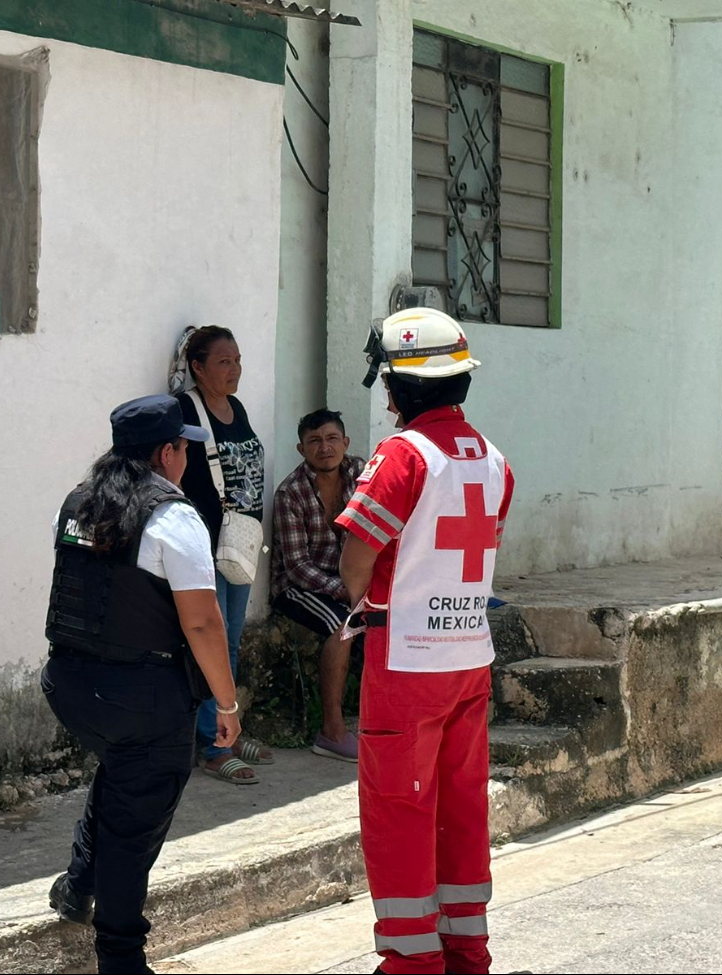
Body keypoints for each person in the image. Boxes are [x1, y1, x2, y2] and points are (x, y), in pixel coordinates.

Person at [337, 308, 515, 975]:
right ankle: (466, 951)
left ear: (396, 388)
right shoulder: (495, 462)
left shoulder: (402, 457)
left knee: (400, 812)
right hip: (469, 657)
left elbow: (358, 558)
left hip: (405, 663)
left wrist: (365, 600)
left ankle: (412, 963)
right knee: (461, 810)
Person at [41, 395, 242, 974]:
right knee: (136, 823)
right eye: (182, 448)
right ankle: (121, 959)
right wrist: (226, 703)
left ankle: (78, 885)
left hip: (71, 683)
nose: (185, 460)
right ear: (167, 452)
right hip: (143, 696)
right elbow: (203, 621)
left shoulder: (76, 504)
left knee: (125, 774)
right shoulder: (172, 517)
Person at [174, 326, 271, 784]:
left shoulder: (238, 408)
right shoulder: (185, 411)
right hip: (205, 543)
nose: (234, 370)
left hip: (241, 541)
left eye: (237, 360)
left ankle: (227, 730)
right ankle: (213, 743)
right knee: (210, 638)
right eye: (223, 362)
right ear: (197, 367)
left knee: (231, 637)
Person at [272, 408, 365, 761]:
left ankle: (384, 721)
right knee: (343, 626)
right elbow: (297, 567)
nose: (324, 448)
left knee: (390, 621)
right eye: (314, 441)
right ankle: (332, 731)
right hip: (299, 587)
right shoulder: (290, 494)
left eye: (330, 439)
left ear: (345, 442)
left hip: (352, 579)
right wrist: (348, 590)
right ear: (301, 449)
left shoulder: (362, 474)